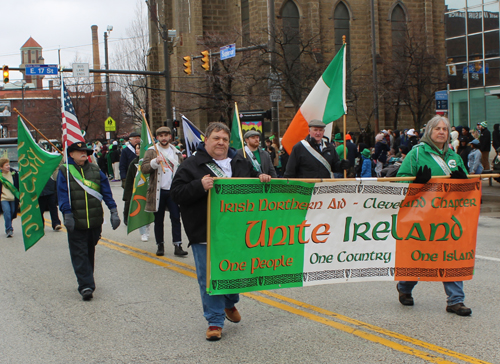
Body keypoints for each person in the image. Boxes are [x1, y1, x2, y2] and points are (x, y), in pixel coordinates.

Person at [171, 122, 271, 341]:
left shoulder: (240, 162)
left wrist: (262, 178)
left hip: (237, 231)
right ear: (206, 140)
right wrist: (199, 186)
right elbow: (177, 193)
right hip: (205, 231)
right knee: (209, 277)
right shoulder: (191, 165)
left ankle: (229, 302)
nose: (221, 142)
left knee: (234, 271)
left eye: (225, 139)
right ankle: (215, 320)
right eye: (216, 138)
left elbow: (255, 182)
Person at [396, 115, 472, 316]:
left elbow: (467, 191)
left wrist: (464, 182)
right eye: (437, 128)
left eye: (445, 129)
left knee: (451, 257)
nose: (441, 132)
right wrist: (416, 184)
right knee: (420, 259)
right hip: (422, 218)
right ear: (429, 131)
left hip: (449, 218)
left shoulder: (455, 158)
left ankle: (455, 300)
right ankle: (404, 287)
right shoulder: (416, 154)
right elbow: (399, 182)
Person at [57, 142, 121, 301]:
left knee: (88, 250)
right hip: (76, 220)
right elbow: (62, 193)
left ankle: (87, 278)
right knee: (79, 253)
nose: (84, 153)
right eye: (80, 151)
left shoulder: (95, 170)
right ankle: (86, 285)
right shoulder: (65, 171)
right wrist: (67, 214)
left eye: (85, 151)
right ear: (71, 154)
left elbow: (106, 191)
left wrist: (113, 211)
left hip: (94, 220)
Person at [141, 126, 187, 257]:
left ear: (170, 137)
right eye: (161, 136)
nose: (163, 138)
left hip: (173, 190)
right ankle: (160, 245)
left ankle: (178, 245)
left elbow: (182, 170)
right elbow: (143, 168)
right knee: (158, 220)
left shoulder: (176, 152)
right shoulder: (151, 151)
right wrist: (155, 162)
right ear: (157, 137)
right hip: (158, 190)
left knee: (176, 218)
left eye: (166, 135)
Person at [284, 120, 350, 178]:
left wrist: (342, 165)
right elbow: (290, 171)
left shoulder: (330, 147)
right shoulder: (299, 147)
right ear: (309, 131)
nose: (318, 133)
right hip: (306, 188)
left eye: (320, 130)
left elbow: (335, 167)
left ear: (323, 131)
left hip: (323, 188)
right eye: (315, 130)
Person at [123, 143, 150, 241]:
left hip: (148, 191)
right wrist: (127, 195)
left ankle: (147, 227)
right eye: (136, 148)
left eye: (139, 148)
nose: (138, 150)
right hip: (138, 192)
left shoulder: (150, 163)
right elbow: (129, 180)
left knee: (148, 212)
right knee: (140, 212)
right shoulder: (133, 163)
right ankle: (143, 232)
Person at [0, 158, 19, 238]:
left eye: (8, 164)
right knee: (7, 212)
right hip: (4, 198)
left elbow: (18, 184)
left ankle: (9, 224)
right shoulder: (1, 176)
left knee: (12, 213)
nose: (8, 166)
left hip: (13, 198)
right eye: (6, 165)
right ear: (1, 167)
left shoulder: (14, 173)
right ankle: (9, 229)